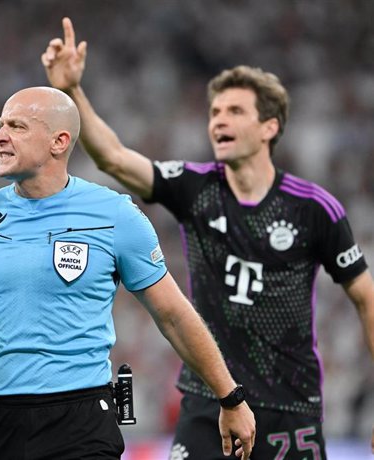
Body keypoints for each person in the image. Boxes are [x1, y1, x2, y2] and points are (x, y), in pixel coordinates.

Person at [41, 17, 374, 459]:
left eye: (235, 111)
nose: (219, 119)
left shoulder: (314, 208)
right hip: (210, 397)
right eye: (215, 111)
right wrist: (73, 92)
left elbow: (366, 298)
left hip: (289, 405)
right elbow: (115, 160)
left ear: (269, 127)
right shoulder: (196, 187)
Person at [0, 86, 255, 460]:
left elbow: (173, 314)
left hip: (79, 422)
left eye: (17, 126)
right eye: (0, 125)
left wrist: (231, 397)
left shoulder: (114, 216)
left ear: (59, 142)